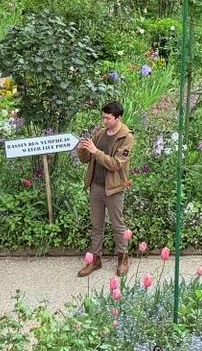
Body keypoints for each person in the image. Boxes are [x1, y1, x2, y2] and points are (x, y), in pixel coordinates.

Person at [74, 100, 132, 277]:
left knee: (118, 225)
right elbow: (86, 159)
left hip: (113, 189)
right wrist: (83, 149)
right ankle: (95, 260)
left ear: (118, 117)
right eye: (103, 117)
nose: (104, 121)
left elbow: (116, 164)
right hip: (96, 186)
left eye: (107, 118)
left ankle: (123, 259)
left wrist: (95, 151)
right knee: (96, 225)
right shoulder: (100, 134)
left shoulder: (126, 137)